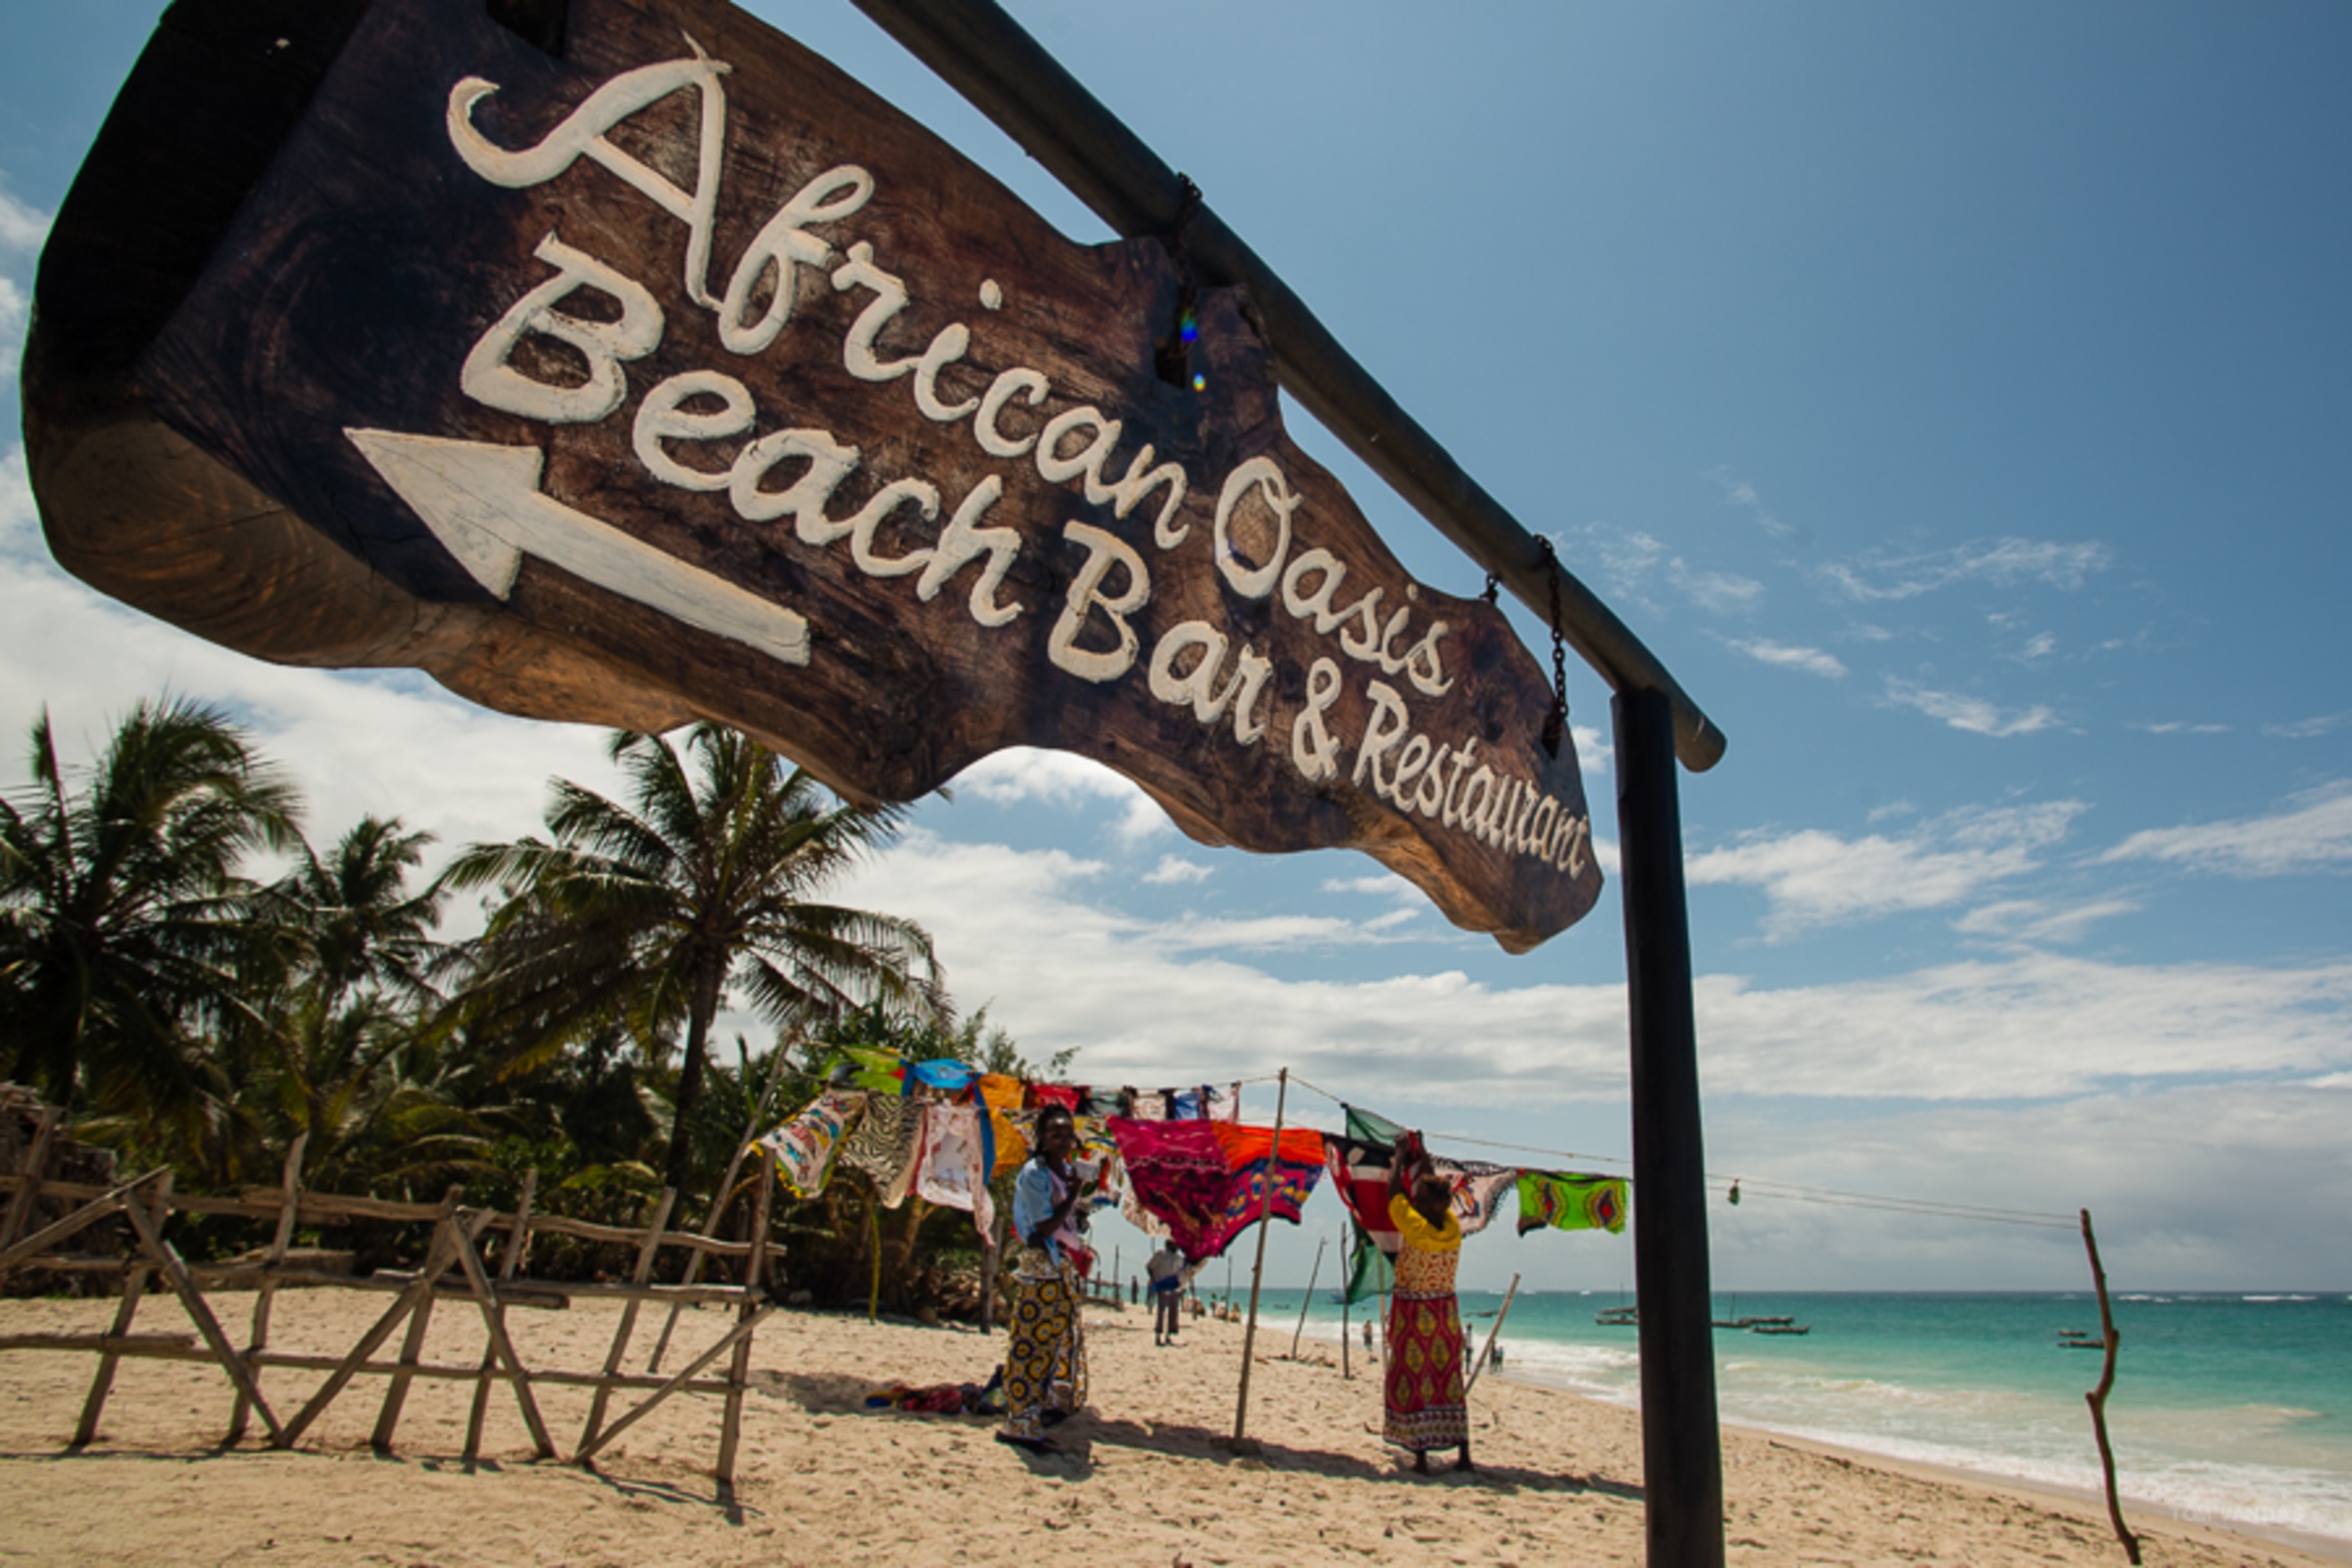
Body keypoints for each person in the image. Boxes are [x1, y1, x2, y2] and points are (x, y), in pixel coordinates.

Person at [997, 1105, 1089, 1453]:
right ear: (1042, 1138)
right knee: (1031, 1345)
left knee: (1051, 1346)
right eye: (1055, 1134)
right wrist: (1074, 1194)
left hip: (1059, 1267)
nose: (1063, 1140)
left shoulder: (1062, 1172)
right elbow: (1043, 1227)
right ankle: (1018, 1423)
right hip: (1041, 1268)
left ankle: (1032, 1419)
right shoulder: (1035, 1173)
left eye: (1067, 1134)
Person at [1385, 1136, 1472, 1475]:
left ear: (1420, 1204)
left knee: (1415, 1377)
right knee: (1448, 1379)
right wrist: (1423, 1155)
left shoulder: (1416, 1228)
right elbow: (1432, 1193)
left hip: (1414, 1313)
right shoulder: (1452, 1229)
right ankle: (1463, 1453)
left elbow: (1394, 1195)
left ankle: (1421, 1456)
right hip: (1445, 1313)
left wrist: (1400, 1157)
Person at [1146, 1239, 1185, 1345]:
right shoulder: (1161, 1255)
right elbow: (1150, 1266)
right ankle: (1158, 1335)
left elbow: (1182, 1272)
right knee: (1161, 1311)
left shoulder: (1178, 1258)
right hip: (1163, 1285)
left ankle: (1168, 1335)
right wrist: (1154, 1278)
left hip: (1174, 1287)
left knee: (1173, 1312)